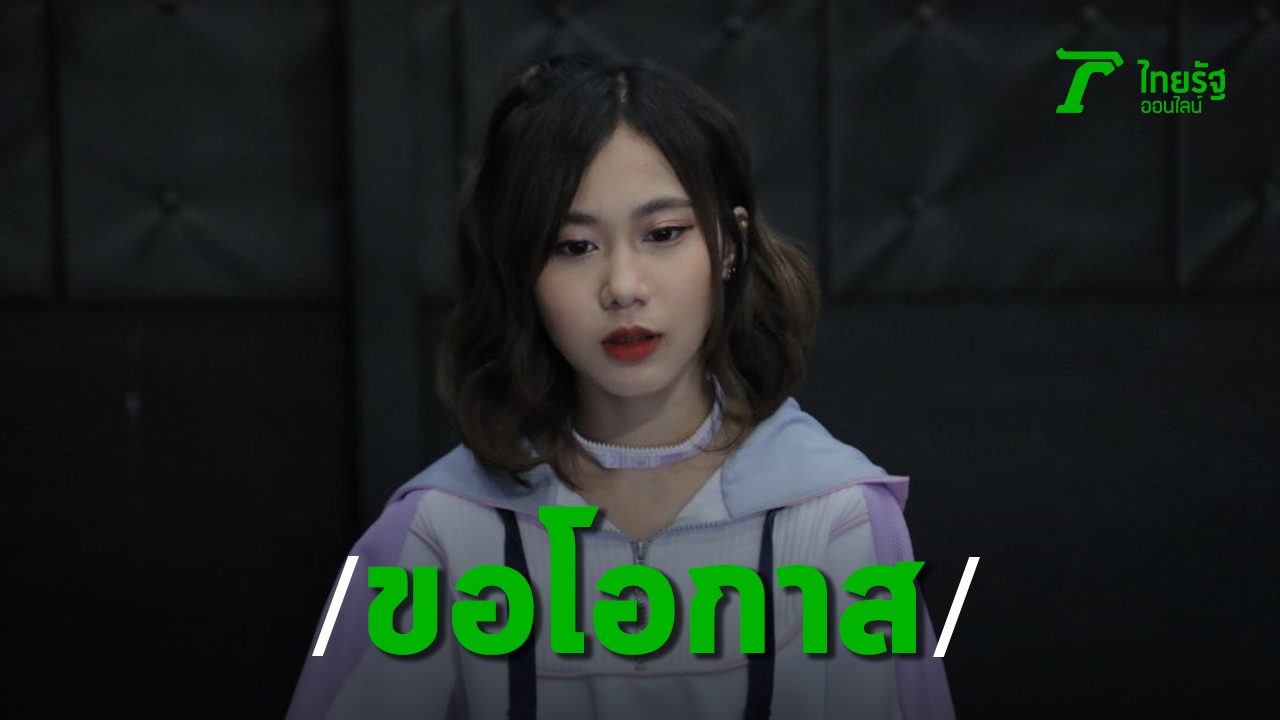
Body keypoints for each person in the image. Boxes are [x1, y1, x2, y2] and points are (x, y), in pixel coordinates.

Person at [286, 52, 954, 720]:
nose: (623, 287)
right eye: (574, 246)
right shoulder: (441, 529)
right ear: (520, 268)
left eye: (663, 233)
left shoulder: (838, 517)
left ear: (730, 243)